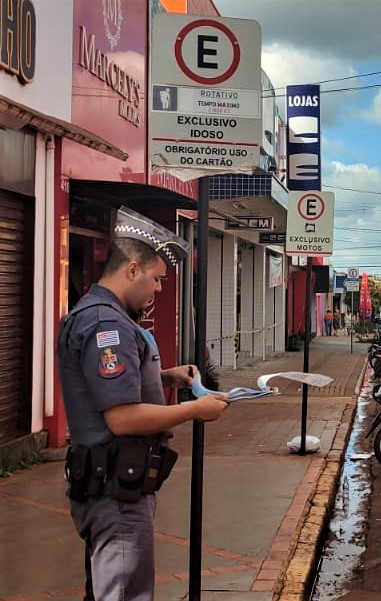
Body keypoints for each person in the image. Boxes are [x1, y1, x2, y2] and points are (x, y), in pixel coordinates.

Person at [56, 205, 228, 601]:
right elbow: (122, 417)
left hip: (113, 486)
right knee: (123, 594)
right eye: (156, 278)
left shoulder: (100, 315)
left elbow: (105, 387)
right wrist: (194, 410)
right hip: (115, 493)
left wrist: (164, 376)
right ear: (132, 269)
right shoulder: (107, 325)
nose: (158, 289)